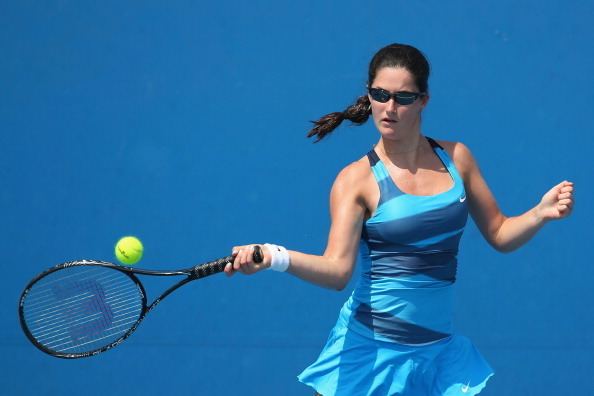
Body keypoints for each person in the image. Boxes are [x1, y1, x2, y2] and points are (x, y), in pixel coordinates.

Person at [224, 43, 574, 395]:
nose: (389, 108)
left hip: (436, 358)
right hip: (368, 359)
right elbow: (336, 272)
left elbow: (499, 232)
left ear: (424, 100)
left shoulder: (458, 159)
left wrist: (539, 214)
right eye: (380, 95)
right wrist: (273, 256)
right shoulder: (355, 180)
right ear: (369, 96)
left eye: (403, 98)